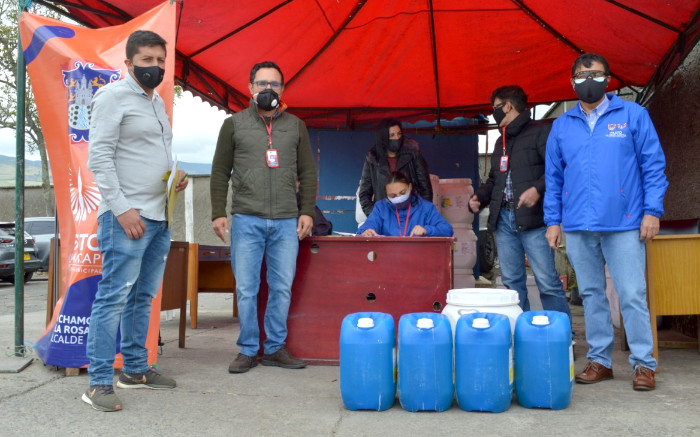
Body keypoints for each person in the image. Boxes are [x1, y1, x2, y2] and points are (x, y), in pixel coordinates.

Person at [544, 53, 668, 391]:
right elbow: (553, 178)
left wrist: (652, 211)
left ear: (608, 79)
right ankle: (600, 360)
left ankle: (644, 364)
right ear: (572, 82)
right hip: (579, 225)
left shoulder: (633, 115)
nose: (588, 79)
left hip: (625, 222)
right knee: (590, 294)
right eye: (582, 75)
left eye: (595, 74)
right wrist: (553, 221)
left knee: (631, 293)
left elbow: (653, 166)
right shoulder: (561, 125)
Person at [84, 30, 187, 412]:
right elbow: (100, 157)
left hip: (159, 214)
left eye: (160, 61)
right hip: (126, 216)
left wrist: (173, 179)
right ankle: (97, 383)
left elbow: (146, 154)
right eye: (146, 60)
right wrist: (122, 209)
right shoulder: (112, 97)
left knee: (142, 297)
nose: (155, 67)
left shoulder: (157, 101)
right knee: (112, 297)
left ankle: (135, 370)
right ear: (128, 63)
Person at [210, 61, 317, 374]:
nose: (267, 89)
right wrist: (218, 212)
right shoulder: (233, 124)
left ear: (282, 89)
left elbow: (308, 172)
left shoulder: (296, 125)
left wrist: (307, 210)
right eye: (262, 83)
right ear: (250, 88)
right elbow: (219, 171)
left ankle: (274, 348)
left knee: (281, 287)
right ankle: (247, 349)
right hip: (246, 219)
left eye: (274, 84)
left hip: (286, 220)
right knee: (246, 288)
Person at [468, 85, 571, 323]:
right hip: (504, 220)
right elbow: (495, 179)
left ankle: (562, 333)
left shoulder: (540, 132)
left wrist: (537, 189)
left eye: (495, 108)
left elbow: (558, 170)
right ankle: (522, 331)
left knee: (547, 281)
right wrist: (479, 197)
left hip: (534, 220)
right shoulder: (500, 141)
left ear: (508, 106)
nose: (493, 113)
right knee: (512, 282)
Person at [358, 118, 432, 217]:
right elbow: (364, 194)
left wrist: (420, 214)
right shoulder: (373, 158)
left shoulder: (413, 152)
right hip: (385, 216)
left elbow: (425, 188)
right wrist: (376, 217)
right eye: (392, 135)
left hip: (412, 214)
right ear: (383, 138)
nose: (396, 138)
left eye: (399, 134)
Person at [358, 171, 453, 237]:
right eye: (393, 195)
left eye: (402, 193)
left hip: (417, 258)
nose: (399, 198)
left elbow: (447, 230)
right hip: (387, 258)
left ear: (410, 187)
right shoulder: (381, 208)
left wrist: (427, 230)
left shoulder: (426, 208)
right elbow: (365, 228)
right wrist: (367, 231)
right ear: (387, 195)